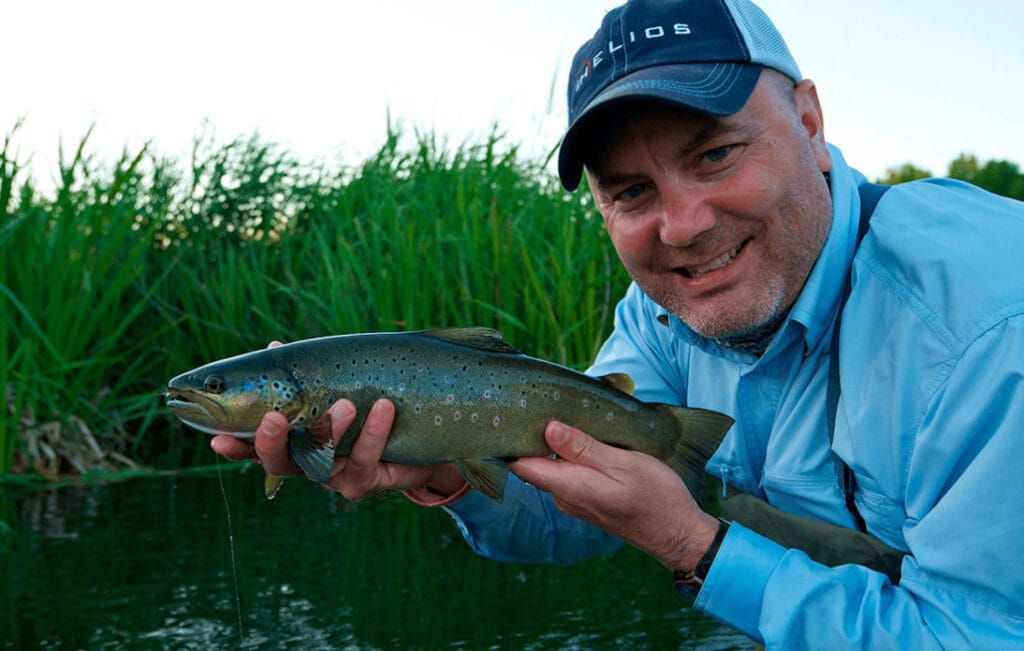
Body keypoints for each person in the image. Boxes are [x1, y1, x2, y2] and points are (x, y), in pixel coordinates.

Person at [212, 0, 1024, 647]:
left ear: (809, 124)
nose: (682, 226)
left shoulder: (987, 326)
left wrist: (698, 548)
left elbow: (978, 635)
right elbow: (577, 509)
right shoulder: (667, 310)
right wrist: (450, 470)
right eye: (631, 192)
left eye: (715, 155)